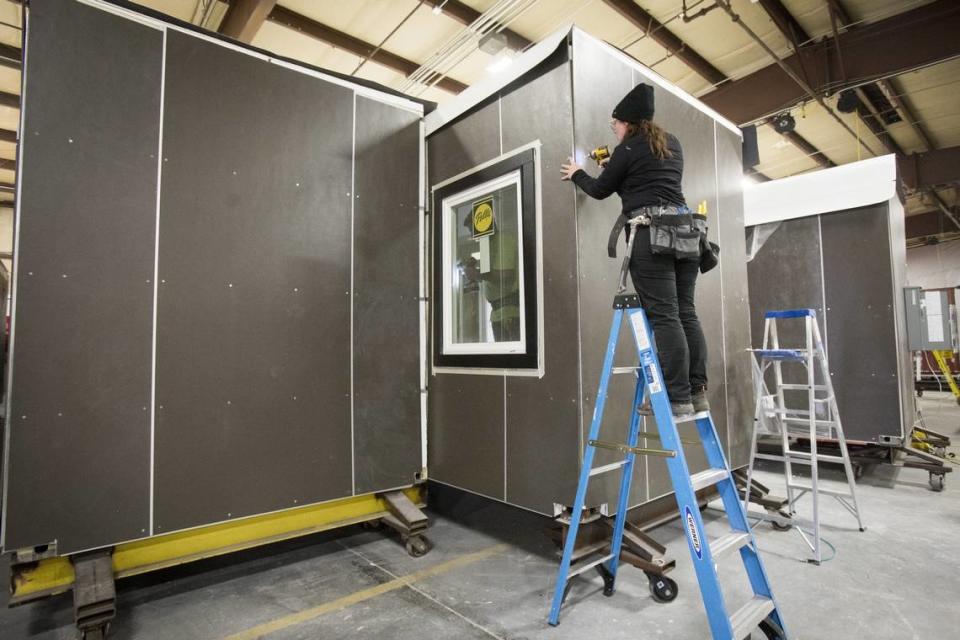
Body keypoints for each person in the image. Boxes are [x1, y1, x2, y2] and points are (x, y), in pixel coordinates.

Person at [560, 83, 708, 417]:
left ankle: (676, 400)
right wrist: (617, 168)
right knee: (686, 312)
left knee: (666, 315)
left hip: (652, 236)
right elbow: (649, 182)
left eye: (615, 124)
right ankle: (697, 393)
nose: (613, 129)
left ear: (628, 122)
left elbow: (599, 190)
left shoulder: (628, 150)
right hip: (687, 233)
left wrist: (577, 173)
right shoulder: (672, 144)